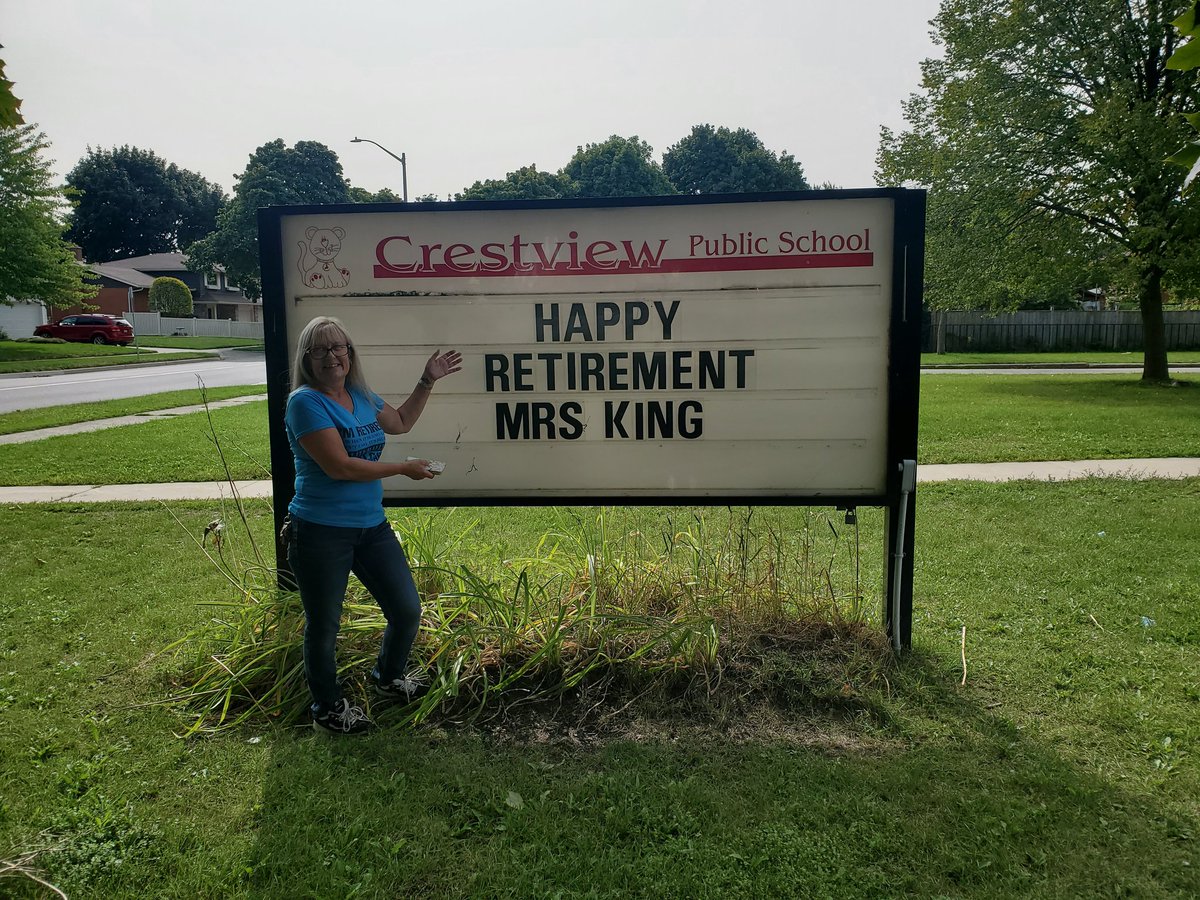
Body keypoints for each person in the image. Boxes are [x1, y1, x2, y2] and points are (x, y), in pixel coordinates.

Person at [282, 315, 462, 735]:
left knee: (406, 609)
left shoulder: (359, 394)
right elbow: (339, 467)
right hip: (320, 530)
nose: (331, 357)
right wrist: (403, 468)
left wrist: (427, 379)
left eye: (338, 347)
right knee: (325, 624)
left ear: (350, 353)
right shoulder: (305, 402)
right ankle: (327, 708)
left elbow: (400, 422)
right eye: (320, 349)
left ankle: (388, 676)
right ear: (307, 357)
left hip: (370, 527)